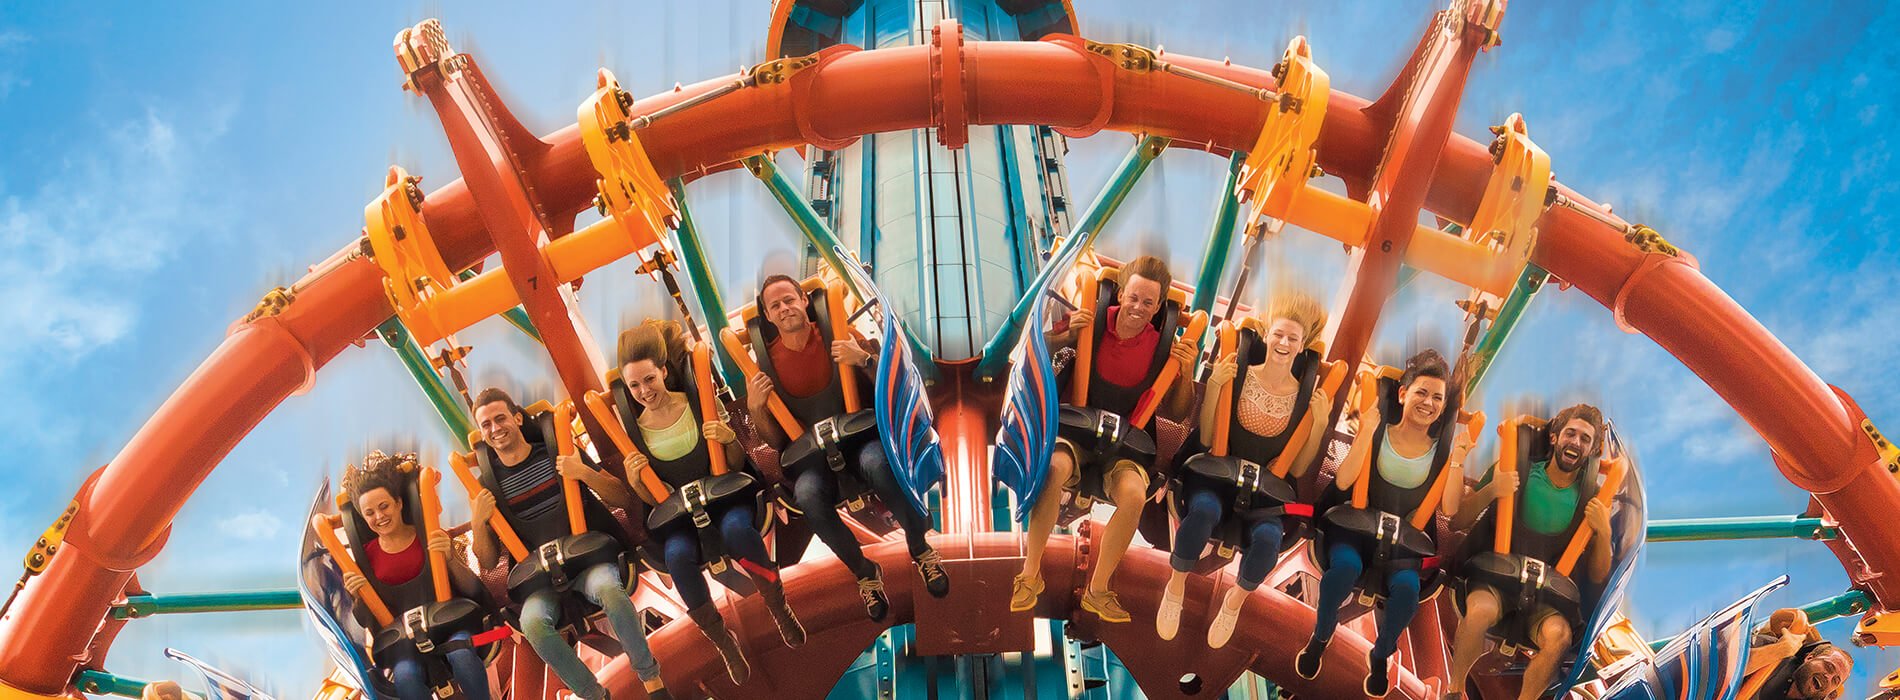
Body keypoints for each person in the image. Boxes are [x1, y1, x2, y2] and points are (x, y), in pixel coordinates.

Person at [744, 274, 950, 622]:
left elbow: (891, 384)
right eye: (775, 306)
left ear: (804, 300)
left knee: (879, 464)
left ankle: (920, 546)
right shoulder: (766, 366)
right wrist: (756, 409)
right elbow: (776, 441)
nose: (784, 308)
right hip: (812, 458)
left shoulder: (839, 332)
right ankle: (865, 573)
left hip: (859, 438)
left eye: (789, 299)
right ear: (767, 316)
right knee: (807, 496)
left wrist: (864, 359)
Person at [1013, 255, 1198, 623]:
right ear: (1121, 295)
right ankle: (1030, 574)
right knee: (1054, 468)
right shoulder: (1090, 318)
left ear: (1158, 307)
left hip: (1124, 444)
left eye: (1148, 303)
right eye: (1133, 298)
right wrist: (1067, 335)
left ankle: (1098, 590)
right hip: (1077, 431)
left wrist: (1186, 370)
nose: (1138, 308)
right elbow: (1035, 351)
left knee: (1134, 495)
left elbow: (1179, 412)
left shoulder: (1162, 346)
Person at [619, 319, 803, 686]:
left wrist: (729, 438)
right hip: (679, 516)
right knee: (676, 557)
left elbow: (734, 464)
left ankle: (777, 604)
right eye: (634, 385)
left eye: (649, 379)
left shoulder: (699, 402)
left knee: (737, 532)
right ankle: (722, 640)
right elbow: (651, 500)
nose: (644, 391)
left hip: (722, 497)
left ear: (664, 371)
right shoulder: (635, 430)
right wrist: (636, 479)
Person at [466, 388, 668, 700]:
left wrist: (584, 472)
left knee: (610, 592)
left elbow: (621, 498)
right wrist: (479, 522)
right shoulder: (487, 487)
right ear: (481, 434)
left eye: (500, 418)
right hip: (539, 581)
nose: (495, 428)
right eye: (486, 425)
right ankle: (594, 696)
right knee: (532, 624)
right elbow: (488, 561)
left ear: (517, 418)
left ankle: (652, 681)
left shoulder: (558, 452)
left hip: (588, 561)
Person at [1157, 293, 1332, 647]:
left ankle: (1234, 603)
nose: (1284, 343)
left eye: (1293, 339)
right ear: (1267, 335)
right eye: (1279, 334)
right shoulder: (1239, 375)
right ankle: (1175, 587)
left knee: (1269, 540)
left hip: (1264, 494)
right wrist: (1216, 385)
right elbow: (1208, 435)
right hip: (1217, 477)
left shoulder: (1302, 397)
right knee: (1203, 512)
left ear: (1302, 347)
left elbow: (1298, 466)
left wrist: (1319, 423)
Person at [1300, 349, 1475, 697]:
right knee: (1345, 569)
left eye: (1437, 398)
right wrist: (1366, 432)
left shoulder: (1440, 450)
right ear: (1403, 394)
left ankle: (1381, 654)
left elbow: (1451, 507)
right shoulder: (1379, 430)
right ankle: (1321, 635)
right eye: (1421, 392)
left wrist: (1457, 459)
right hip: (1356, 526)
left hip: (1403, 542)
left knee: (1408, 591)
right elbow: (1345, 480)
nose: (1428, 403)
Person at [1445, 404, 1615, 700]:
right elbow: (1458, 520)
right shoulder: (1515, 468)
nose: (1576, 442)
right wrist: (1492, 490)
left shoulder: (1593, 499)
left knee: (1559, 637)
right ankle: (1454, 691)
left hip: (1546, 598)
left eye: (1585, 439)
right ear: (1554, 438)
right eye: (1570, 433)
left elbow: (1599, 575)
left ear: (1591, 451)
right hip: (1495, 580)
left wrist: (1605, 532)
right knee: (1480, 612)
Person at [338, 450, 493, 700]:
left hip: (451, 623)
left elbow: (470, 587)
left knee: (461, 654)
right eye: (370, 513)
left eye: (384, 506)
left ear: (399, 503)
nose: (379, 516)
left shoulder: (430, 534)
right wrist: (357, 597)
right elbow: (365, 621)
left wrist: (450, 558)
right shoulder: (364, 560)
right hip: (404, 642)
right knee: (405, 677)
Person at [1745, 608, 1853, 700]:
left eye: (1835, 681)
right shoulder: (1773, 651)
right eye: (1829, 667)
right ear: (1809, 657)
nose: (1828, 677)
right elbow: (1734, 662)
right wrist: (1777, 651)